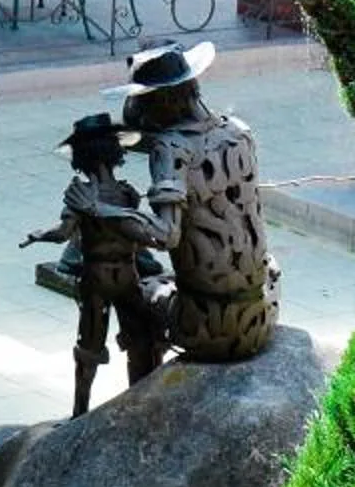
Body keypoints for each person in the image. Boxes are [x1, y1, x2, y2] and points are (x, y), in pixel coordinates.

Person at [116, 41, 279, 361]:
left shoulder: (170, 148)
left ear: (160, 100)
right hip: (262, 313)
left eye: (143, 100)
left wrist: (111, 214)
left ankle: (145, 401)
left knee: (132, 294)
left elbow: (165, 235)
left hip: (209, 327)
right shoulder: (239, 131)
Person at [22, 112, 169, 413]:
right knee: (138, 339)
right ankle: (139, 401)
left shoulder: (80, 194)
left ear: (82, 157)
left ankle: (80, 411)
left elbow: (63, 233)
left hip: (97, 278)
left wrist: (40, 234)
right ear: (114, 152)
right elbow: (135, 236)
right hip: (128, 273)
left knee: (89, 347)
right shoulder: (127, 194)